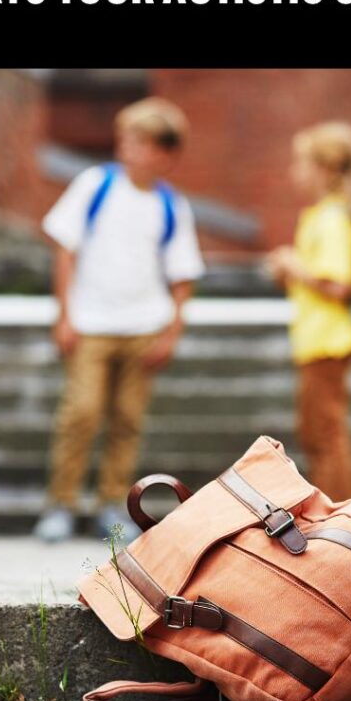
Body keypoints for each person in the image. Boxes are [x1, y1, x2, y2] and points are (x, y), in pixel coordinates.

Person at [33, 97, 205, 544]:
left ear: (164, 153)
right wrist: (65, 314)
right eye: (125, 139)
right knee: (82, 413)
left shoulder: (171, 205)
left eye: (139, 142)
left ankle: (111, 503)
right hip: (91, 324)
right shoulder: (95, 185)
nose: (126, 148)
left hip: (145, 327)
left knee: (127, 419)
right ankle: (61, 503)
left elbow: (182, 275)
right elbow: (65, 249)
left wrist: (171, 331)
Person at [267, 121, 351, 503]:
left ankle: (339, 519)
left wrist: (295, 267)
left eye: (301, 163)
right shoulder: (325, 214)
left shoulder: (333, 217)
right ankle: (334, 517)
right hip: (316, 339)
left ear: (324, 168)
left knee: (325, 435)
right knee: (317, 433)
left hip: (328, 340)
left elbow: (340, 284)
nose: (296, 172)